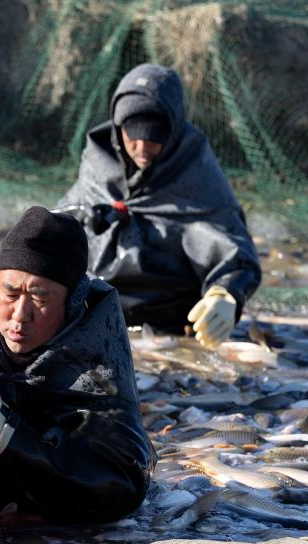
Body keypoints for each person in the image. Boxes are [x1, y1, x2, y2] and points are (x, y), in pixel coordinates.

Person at [0, 207, 154, 523]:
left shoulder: (97, 372)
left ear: (71, 303)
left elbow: (125, 487)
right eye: (10, 294)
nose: (19, 315)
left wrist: (11, 435)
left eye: (40, 300)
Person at [57, 63, 261, 348]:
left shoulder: (197, 176)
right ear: (117, 128)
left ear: (173, 130)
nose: (142, 148)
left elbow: (233, 248)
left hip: (169, 324)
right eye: (133, 135)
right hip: (90, 313)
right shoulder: (98, 162)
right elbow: (58, 226)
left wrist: (226, 293)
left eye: (154, 137)